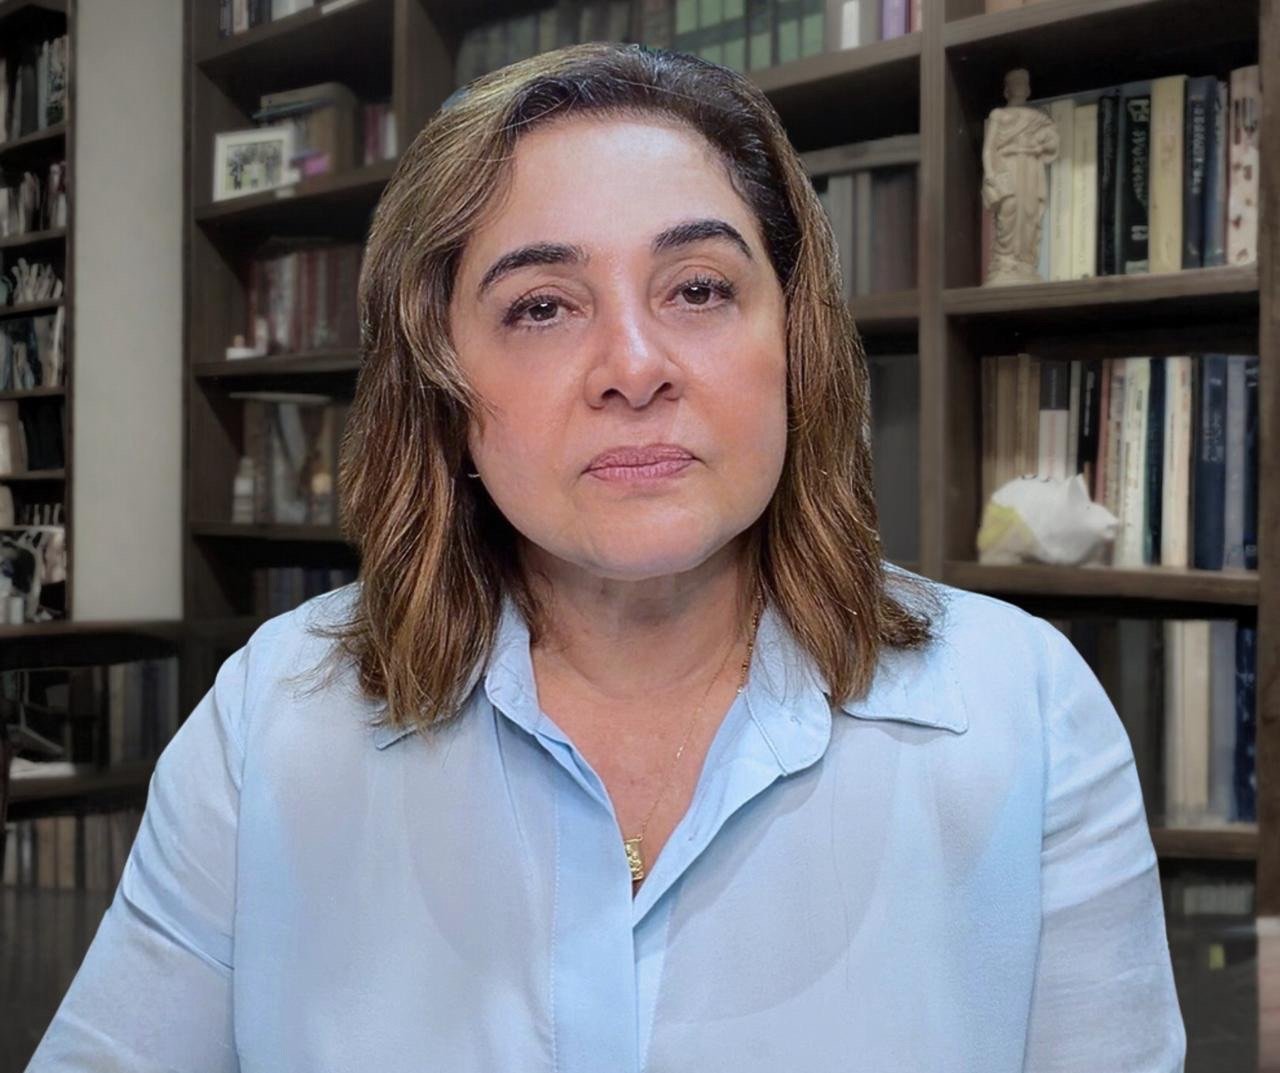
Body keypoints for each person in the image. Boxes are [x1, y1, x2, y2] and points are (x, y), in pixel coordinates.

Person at [25, 41, 1185, 1072]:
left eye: (697, 288)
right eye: (541, 306)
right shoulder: (270, 718)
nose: (633, 367)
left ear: (793, 340)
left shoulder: (1022, 710)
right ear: (441, 382)